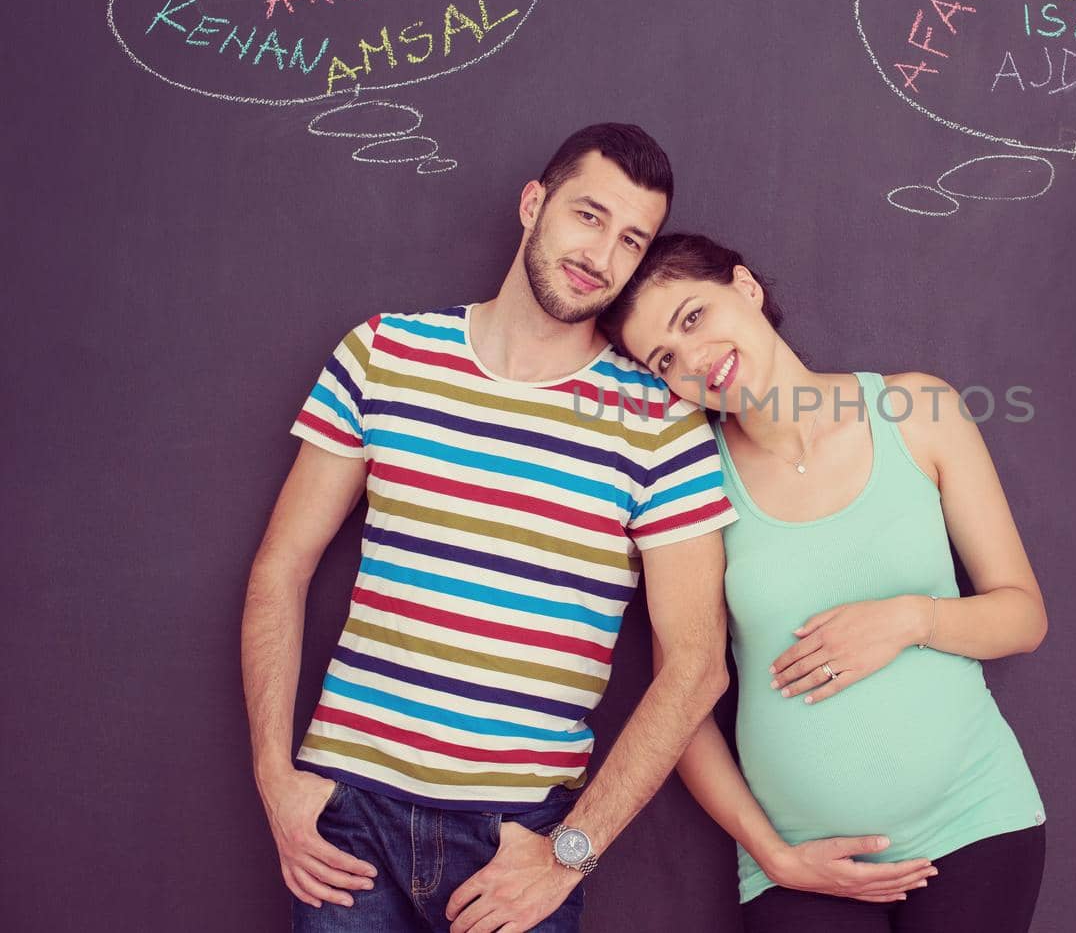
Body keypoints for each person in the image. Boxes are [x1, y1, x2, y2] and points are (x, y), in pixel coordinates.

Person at [241, 125, 738, 933]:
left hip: (518, 841)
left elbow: (696, 666)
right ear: (533, 204)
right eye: (587, 215)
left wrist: (571, 850)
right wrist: (275, 777)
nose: (601, 254)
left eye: (630, 239)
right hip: (348, 823)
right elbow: (281, 568)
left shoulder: (659, 423)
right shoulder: (384, 355)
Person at [599, 233, 1049, 932]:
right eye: (665, 359)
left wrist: (908, 620)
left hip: (975, 823)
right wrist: (771, 854)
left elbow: (1023, 617)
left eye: (693, 318)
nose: (693, 360)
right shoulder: (691, 484)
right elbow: (679, 708)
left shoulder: (918, 411)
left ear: (745, 288)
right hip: (803, 863)